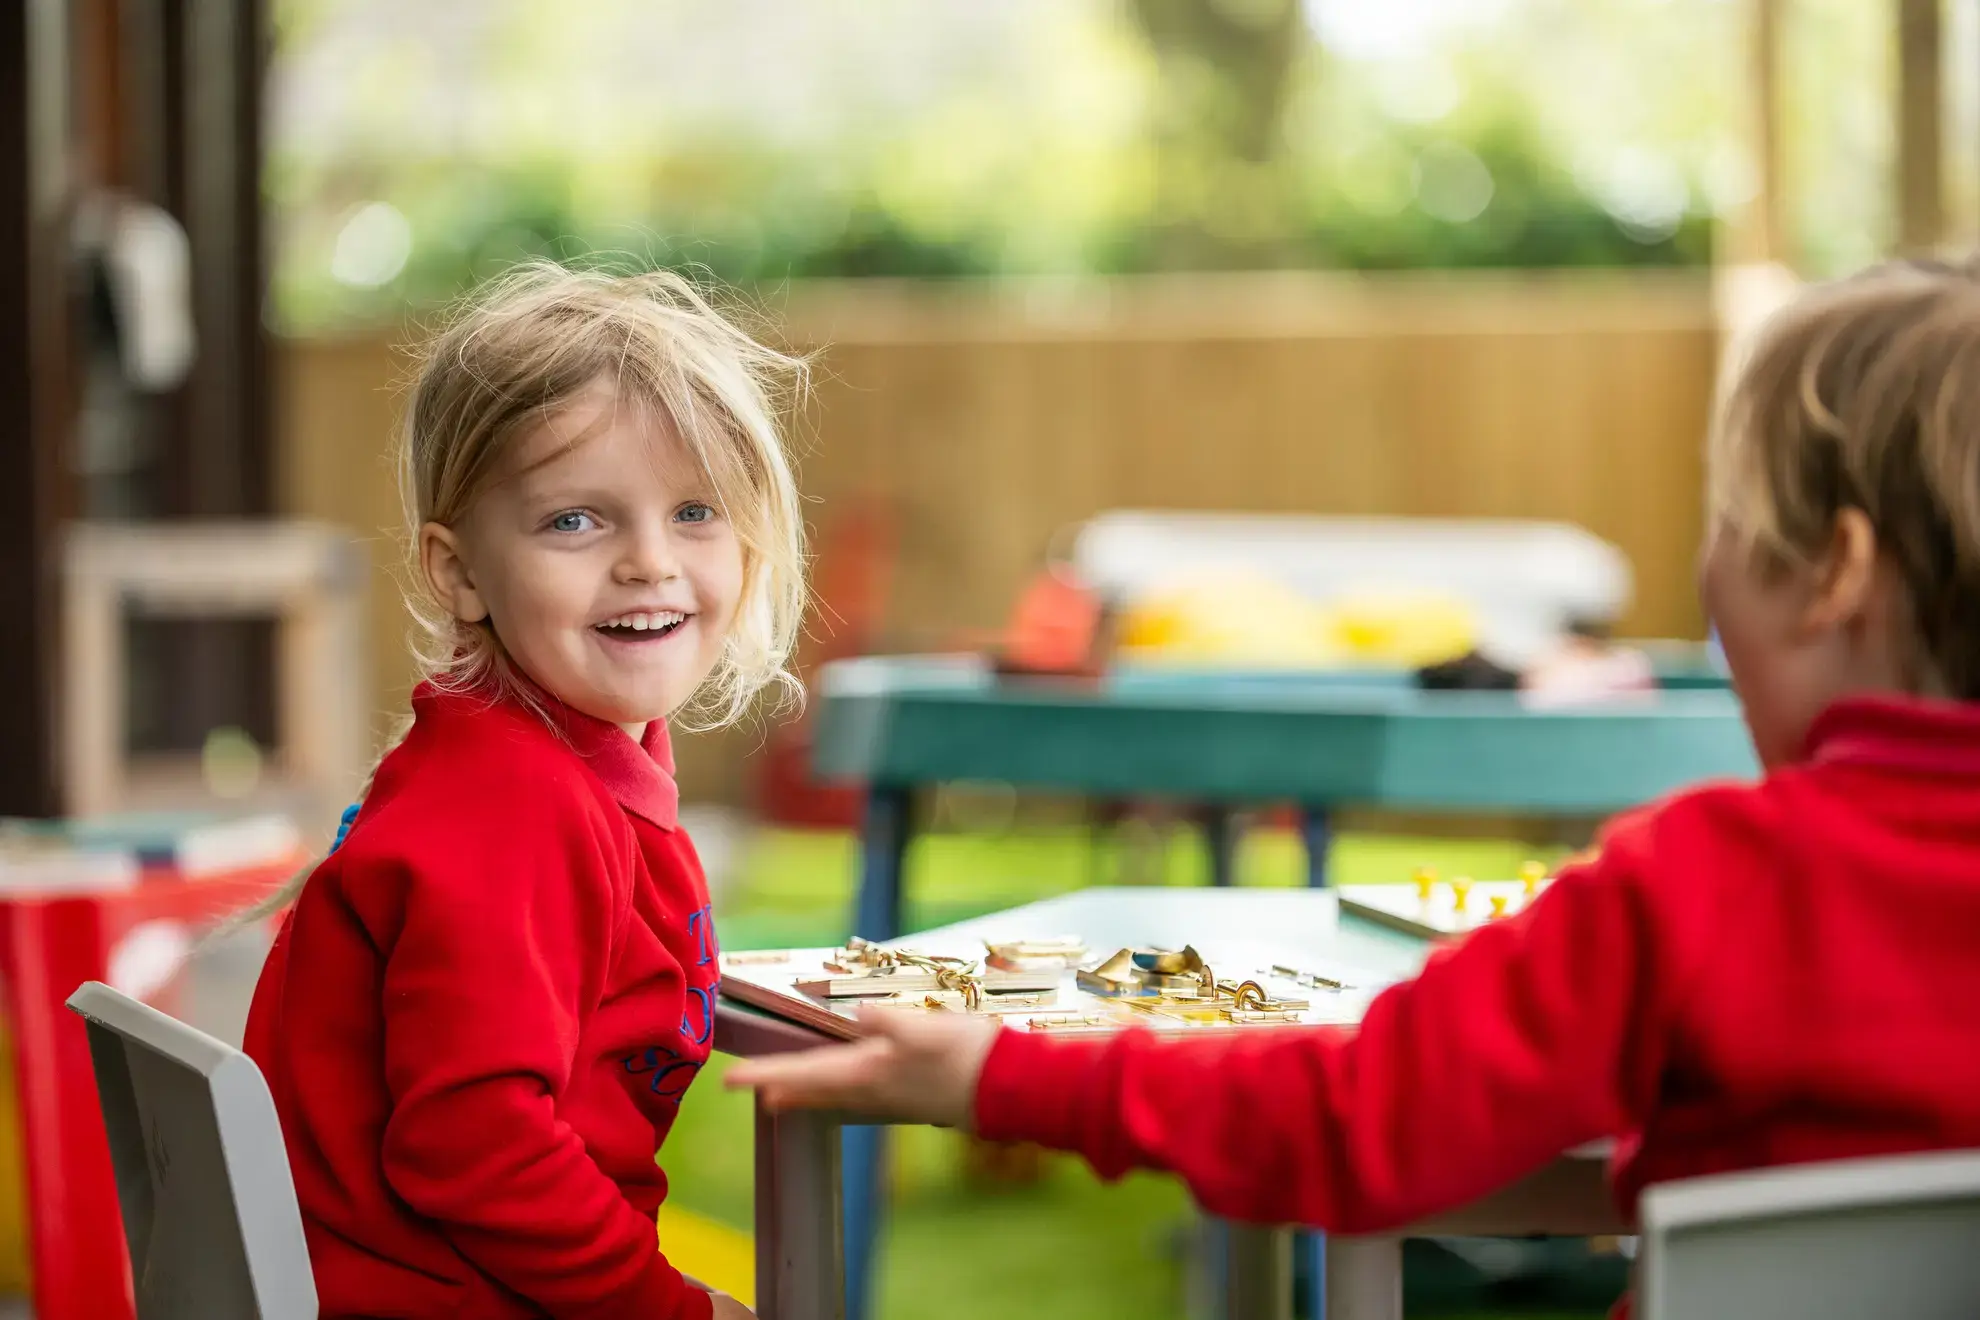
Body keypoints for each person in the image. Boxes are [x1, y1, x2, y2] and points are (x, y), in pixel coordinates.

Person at [730, 255, 1980, 1312]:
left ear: (1836, 576)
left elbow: (1355, 1122)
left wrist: (993, 1074)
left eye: (1733, 523)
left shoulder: (1704, 887)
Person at [246, 262, 806, 1320]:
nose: (650, 562)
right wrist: (666, 1309)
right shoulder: (515, 805)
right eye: (574, 523)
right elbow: (473, 1143)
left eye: (695, 511)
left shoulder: (527, 753)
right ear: (458, 573)